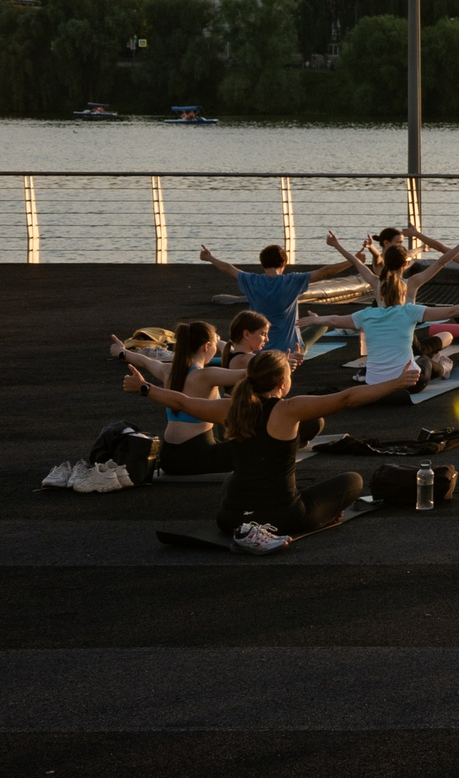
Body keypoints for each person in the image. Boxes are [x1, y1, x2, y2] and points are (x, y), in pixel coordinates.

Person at [128, 349, 422, 549]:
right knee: (353, 481)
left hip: (228, 518)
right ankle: (272, 526)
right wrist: (395, 382)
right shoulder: (288, 410)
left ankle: (248, 524)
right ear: (283, 382)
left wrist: (144, 387)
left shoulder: (231, 408)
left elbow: (182, 402)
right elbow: (346, 399)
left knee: (234, 479)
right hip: (284, 517)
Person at [304, 238, 459, 386]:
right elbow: (442, 263)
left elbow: (357, 264)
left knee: (425, 344)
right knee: (447, 336)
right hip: (410, 340)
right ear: (406, 263)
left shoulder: (376, 284)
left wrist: (337, 245)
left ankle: (374, 369)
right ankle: (442, 365)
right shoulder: (411, 283)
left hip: (382, 338)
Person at [197, 234, 362, 358]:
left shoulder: (251, 281)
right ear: (284, 264)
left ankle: (313, 319)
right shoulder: (292, 280)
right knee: (321, 324)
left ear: (262, 264)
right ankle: (315, 318)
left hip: (258, 349)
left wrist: (209, 257)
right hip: (289, 350)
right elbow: (325, 271)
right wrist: (354, 261)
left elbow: (228, 268)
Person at [111, 320, 240, 475]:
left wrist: (121, 351)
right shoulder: (206, 375)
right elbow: (247, 373)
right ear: (206, 346)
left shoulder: (168, 370)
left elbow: (144, 361)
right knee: (254, 447)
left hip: (169, 457)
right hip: (196, 456)